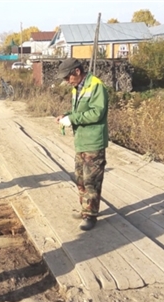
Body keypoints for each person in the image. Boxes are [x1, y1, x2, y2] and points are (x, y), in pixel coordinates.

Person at [55, 59, 109, 231]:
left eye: (67, 77)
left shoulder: (96, 86)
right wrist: (68, 115)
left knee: (91, 180)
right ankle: (85, 208)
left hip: (93, 141)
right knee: (80, 178)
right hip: (81, 141)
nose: (66, 81)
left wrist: (73, 119)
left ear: (77, 72)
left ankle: (90, 215)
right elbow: (80, 112)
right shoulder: (77, 87)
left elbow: (97, 113)